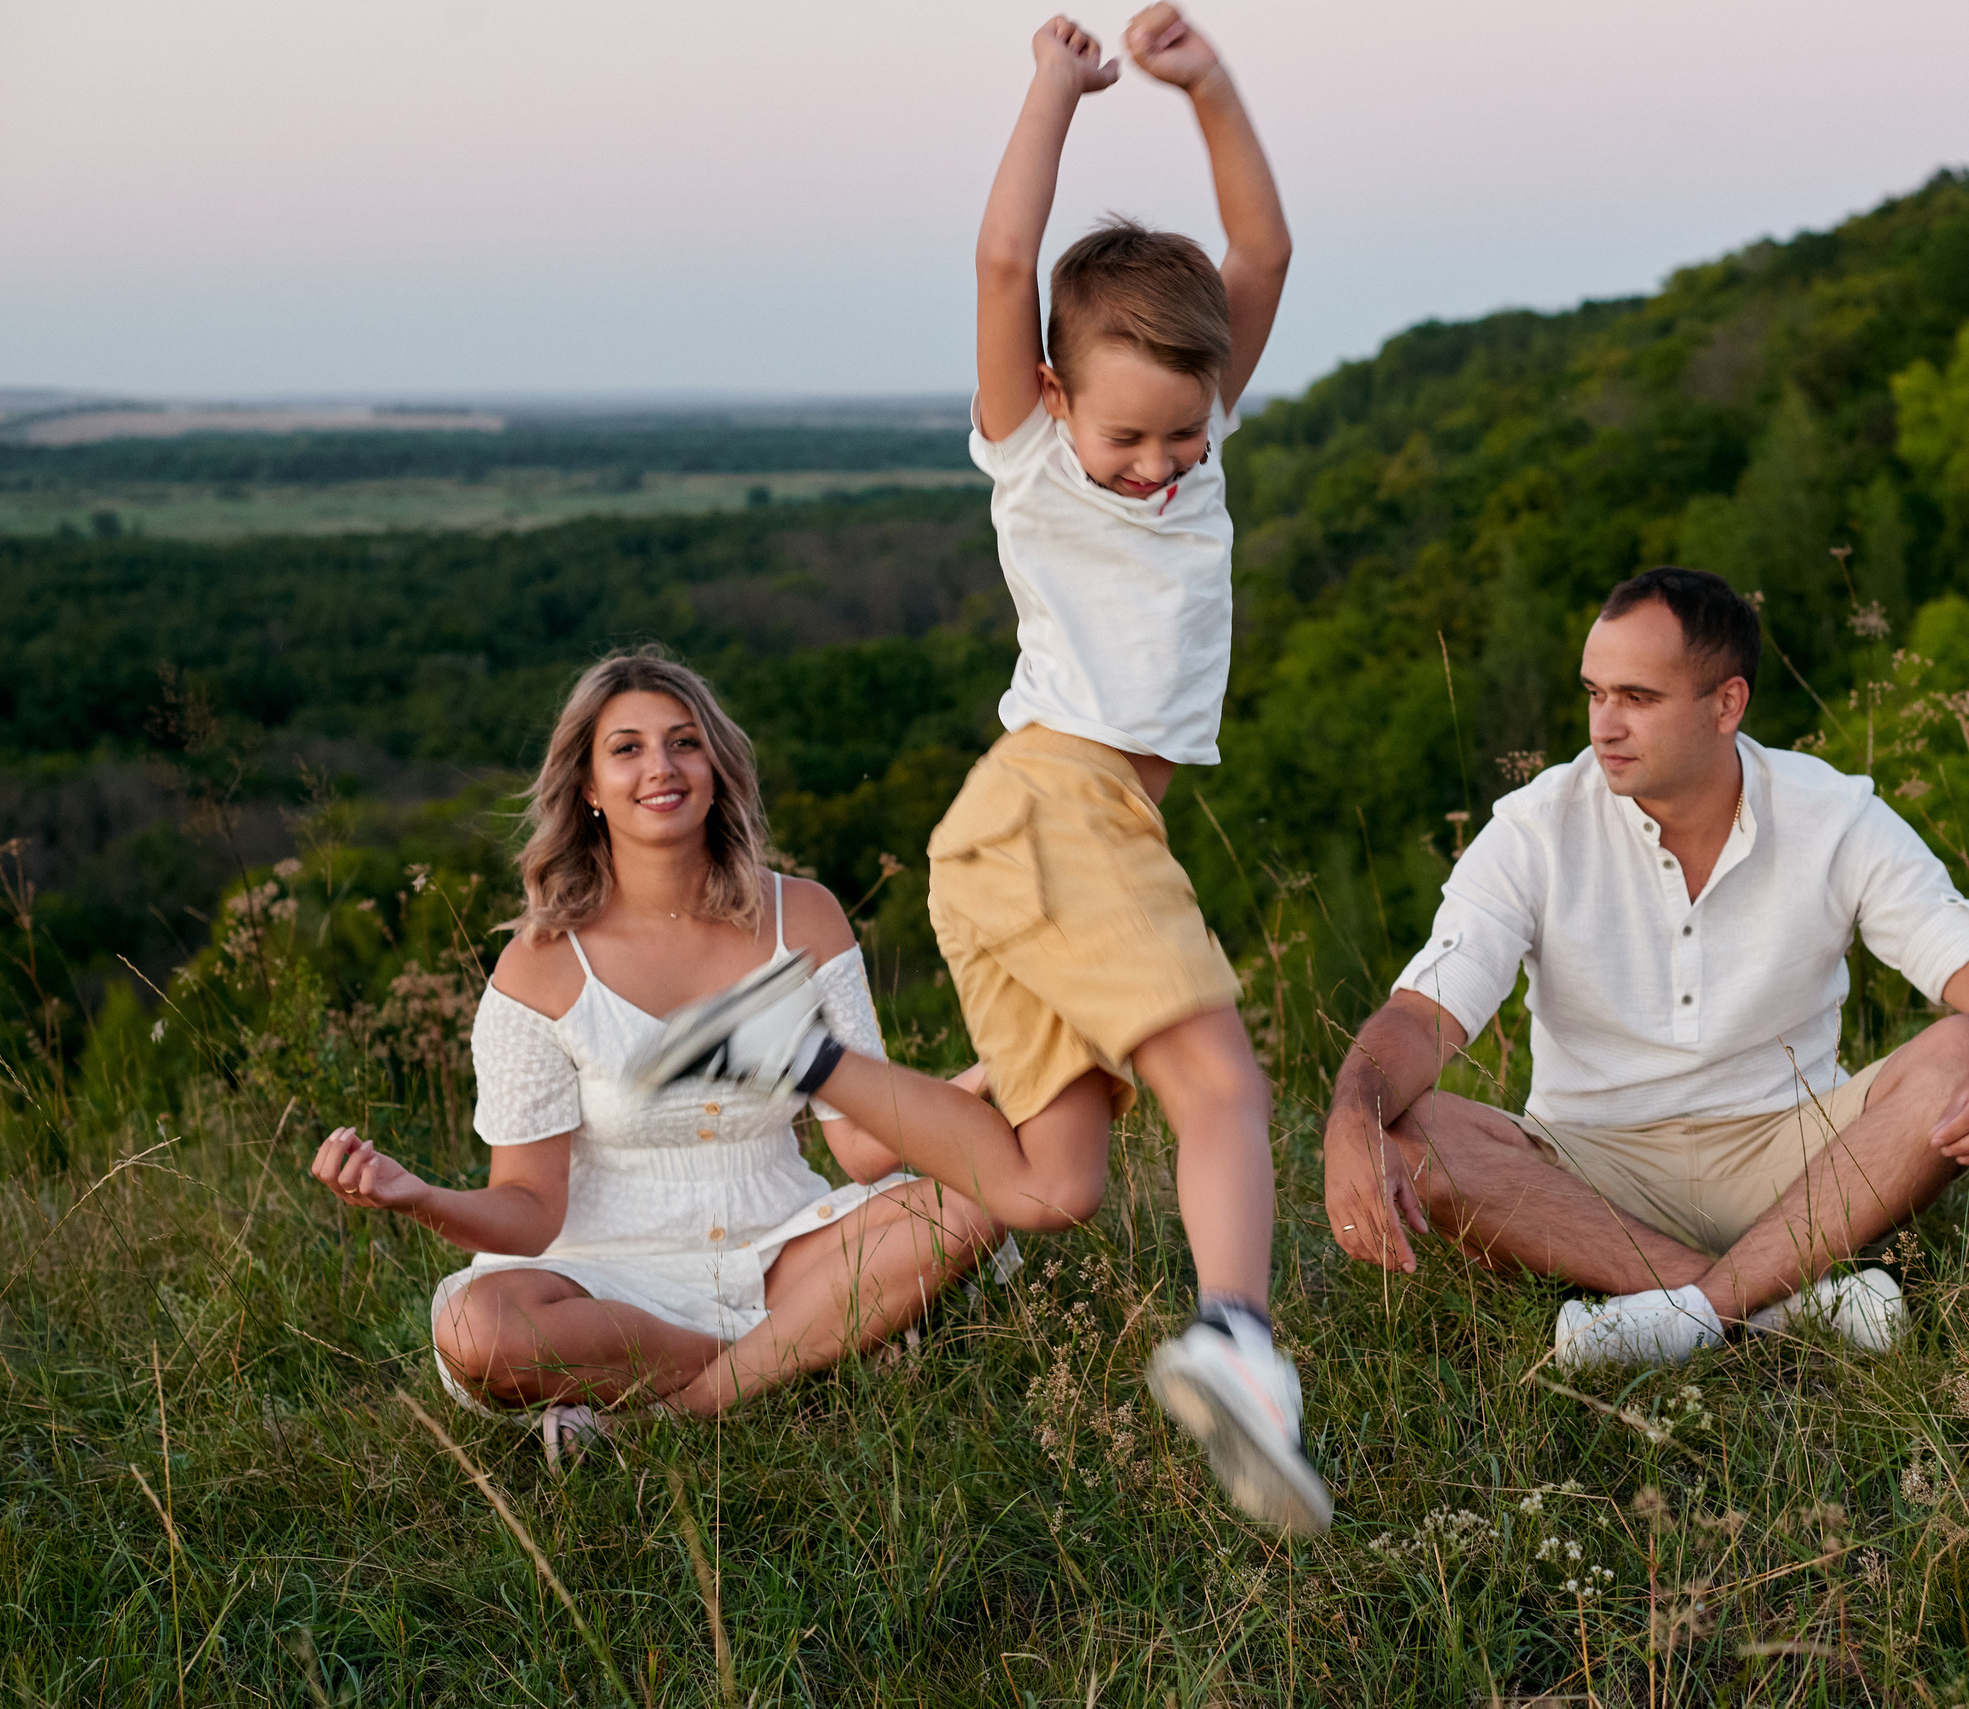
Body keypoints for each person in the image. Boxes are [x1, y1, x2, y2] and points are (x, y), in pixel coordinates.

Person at [666, 6, 1323, 1534]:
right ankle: (1240, 1338)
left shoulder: (1197, 434)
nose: (1161, 466)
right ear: (1052, 394)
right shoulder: (1031, 446)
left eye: (1181, 436)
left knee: (1048, 1187)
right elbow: (996, 264)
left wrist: (1210, 87)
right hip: (1054, 805)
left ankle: (798, 1058)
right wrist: (1056, 94)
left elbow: (1266, 259)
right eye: (1131, 439)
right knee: (1221, 1084)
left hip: (1042, 837)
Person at [1322, 567, 1969, 1369]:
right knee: (1411, 1130)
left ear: (1727, 704)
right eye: (1594, 693)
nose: (1605, 725)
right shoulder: (1535, 828)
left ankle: (1680, 1314)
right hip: (1592, 1169)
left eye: (1638, 698)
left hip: (1796, 1157)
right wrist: (1350, 1115)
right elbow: (1422, 1018)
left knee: (1963, 1050)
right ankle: (1775, 1307)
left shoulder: (1833, 814)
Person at [307, 651, 1008, 1460]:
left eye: (684, 742)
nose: (661, 767)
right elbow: (530, 1211)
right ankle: (811, 1353)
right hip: (605, 1283)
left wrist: (1000, 1068)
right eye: (627, 748)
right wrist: (419, 1194)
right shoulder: (538, 966)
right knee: (477, 1328)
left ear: (717, 768)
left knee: (973, 1204)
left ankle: (676, 1413)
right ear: (588, 788)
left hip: (783, 1248)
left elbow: (866, 1147)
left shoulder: (804, 918)